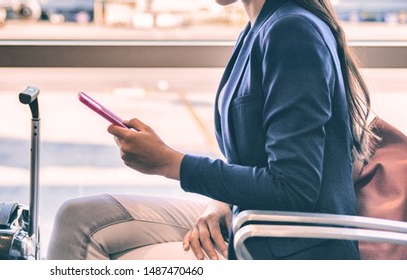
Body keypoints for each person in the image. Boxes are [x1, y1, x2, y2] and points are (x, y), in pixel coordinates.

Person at [47, 0, 376, 260]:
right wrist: (219, 203)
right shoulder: (258, 28)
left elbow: (294, 188)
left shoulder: (292, 32)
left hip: (286, 249)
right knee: (78, 217)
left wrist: (170, 163)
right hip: (251, 222)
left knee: (90, 242)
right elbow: (259, 160)